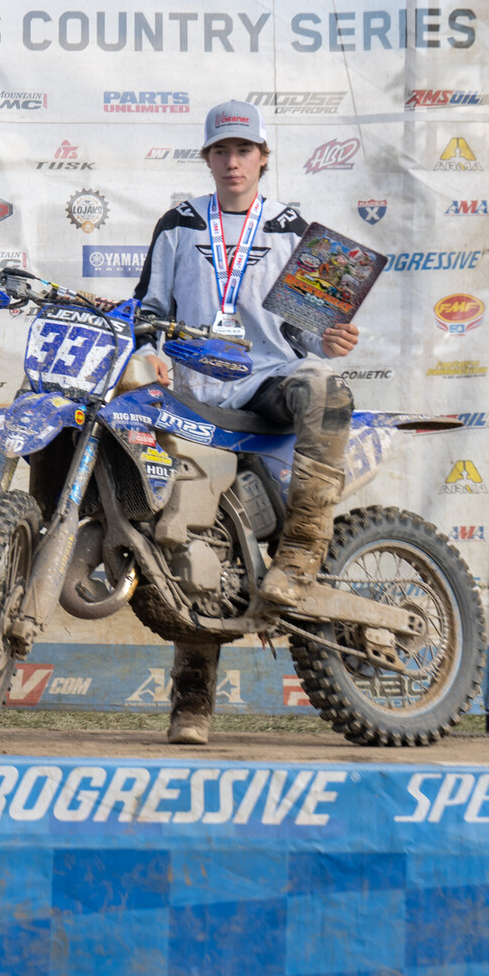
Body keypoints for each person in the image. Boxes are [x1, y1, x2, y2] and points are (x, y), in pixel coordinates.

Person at [133, 99, 361, 746]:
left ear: (263, 157)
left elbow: (309, 332)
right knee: (192, 550)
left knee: (325, 386)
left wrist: (332, 341)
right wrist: (152, 354)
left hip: (267, 382)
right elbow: (148, 310)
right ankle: (192, 705)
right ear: (208, 159)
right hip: (197, 396)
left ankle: (300, 556)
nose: (233, 161)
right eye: (221, 151)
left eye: (244, 150)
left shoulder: (293, 227)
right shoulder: (178, 223)